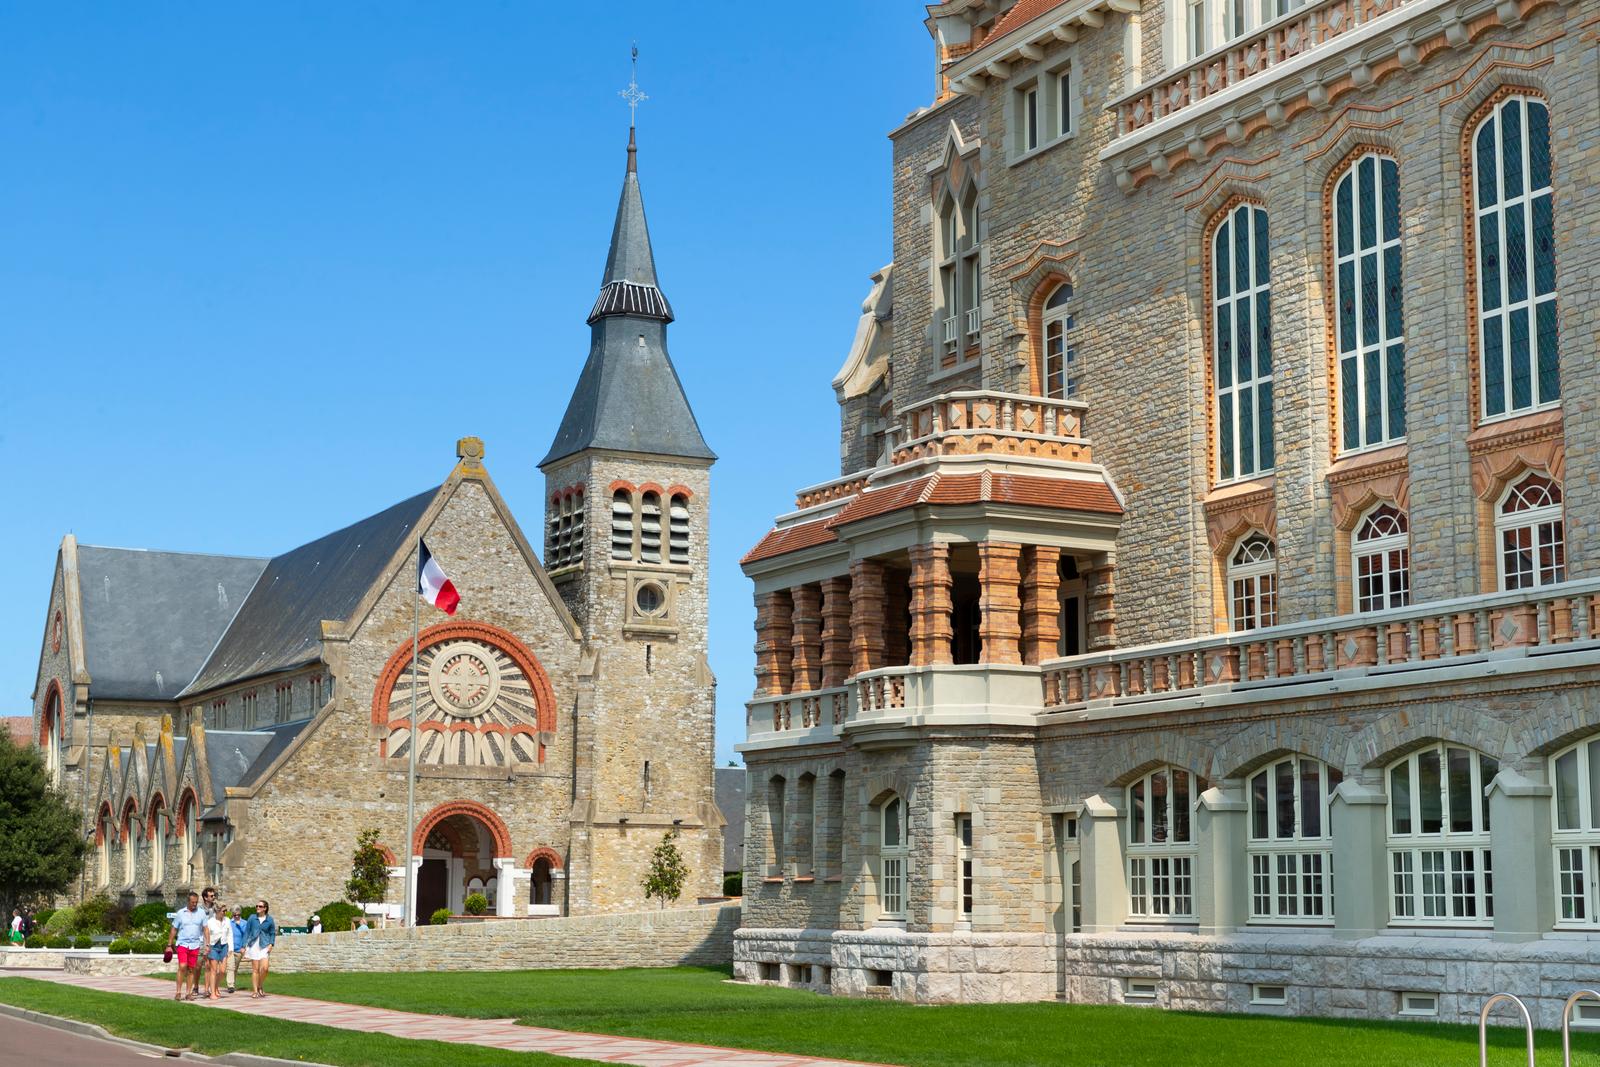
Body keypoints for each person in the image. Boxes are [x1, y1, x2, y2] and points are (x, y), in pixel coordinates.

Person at [167, 891, 207, 1001]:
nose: (195, 904)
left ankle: (188, 993)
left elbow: (205, 929)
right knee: (182, 966)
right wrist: (169, 944)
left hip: (195, 944)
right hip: (182, 944)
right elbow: (174, 929)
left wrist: (207, 943)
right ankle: (178, 992)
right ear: (188, 901)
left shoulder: (201, 913)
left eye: (196, 902)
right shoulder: (181, 913)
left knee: (191, 969)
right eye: (193, 902)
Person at [242, 898, 277, 999]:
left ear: (265, 908)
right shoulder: (252, 918)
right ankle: (255, 991)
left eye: (260, 906)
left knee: (265, 969)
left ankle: (260, 985)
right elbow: (247, 932)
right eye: (257, 906)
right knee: (255, 970)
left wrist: (271, 944)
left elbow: (272, 933)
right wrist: (243, 946)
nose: (257, 908)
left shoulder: (269, 919)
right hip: (253, 945)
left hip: (264, 945)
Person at [203, 900, 231, 1000]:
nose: (225, 913)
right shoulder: (210, 922)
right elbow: (206, 936)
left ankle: (215, 986)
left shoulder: (227, 920)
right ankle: (212, 993)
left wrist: (230, 948)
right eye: (223, 911)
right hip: (213, 946)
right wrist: (206, 947)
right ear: (218, 911)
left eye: (226, 911)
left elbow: (229, 934)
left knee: (223, 971)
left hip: (224, 946)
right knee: (214, 970)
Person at [226, 906, 246, 993]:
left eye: (238, 914)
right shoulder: (229, 922)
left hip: (239, 949)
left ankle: (232, 983)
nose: (237, 916)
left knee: (235, 968)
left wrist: (244, 947)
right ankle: (230, 985)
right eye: (235, 915)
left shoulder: (245, 923)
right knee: (230, 967)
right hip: (230, 949)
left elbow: (246, 935)